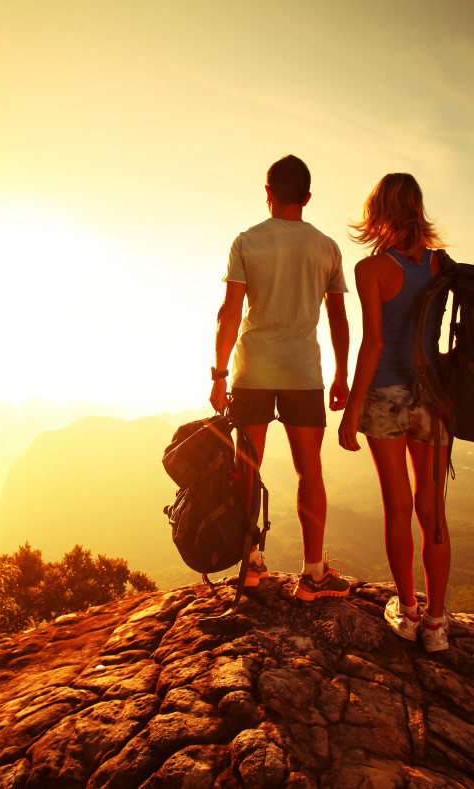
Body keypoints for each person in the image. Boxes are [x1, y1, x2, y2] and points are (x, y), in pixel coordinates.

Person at [210, 154, 351, 601]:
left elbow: (230, 313)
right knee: (309, 470)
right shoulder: (327, 247)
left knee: (246, 468)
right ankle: (313, 573)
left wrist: (218, 373)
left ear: (267, 192)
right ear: (307, 197)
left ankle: (250, 566)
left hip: (252, 370)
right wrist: (342, 374)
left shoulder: (247, 242)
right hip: (303, 373)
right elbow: (339, 320)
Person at [336, 172, 452, 651]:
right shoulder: (442, 264)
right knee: (434, 510)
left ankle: (406, 612)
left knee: (398, 507)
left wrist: (349, 414)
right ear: (418, 207)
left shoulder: (371, 270)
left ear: (378, 210)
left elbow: (374, 344)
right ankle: (438, 624)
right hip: (433, 395)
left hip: (385, 394)